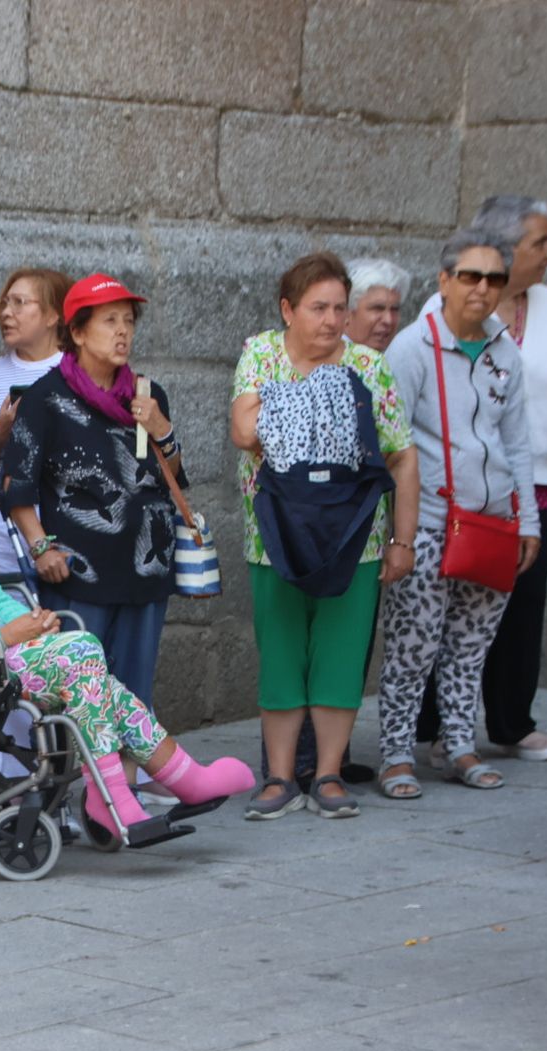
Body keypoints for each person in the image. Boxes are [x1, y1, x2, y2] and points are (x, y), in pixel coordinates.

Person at [0, 455, 254, 839]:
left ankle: (140, 789)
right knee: (82, 653)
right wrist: (7, 637)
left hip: (0, 650)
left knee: (91, 677)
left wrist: (33, 622)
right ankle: (146, 786)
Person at [230, 252, 419, 820]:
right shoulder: (260, 353)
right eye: (318, 308)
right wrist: (324, 406)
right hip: (275, 538)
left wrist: (402, 540)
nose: (332, 319)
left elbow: (401, 456)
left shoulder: (369, 365)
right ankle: (281, 778)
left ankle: (330, 774)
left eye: (340, 307)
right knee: (282, 658)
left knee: (338, 661)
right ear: (288, 310)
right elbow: (244, 432)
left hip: (354, 539)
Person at [376, 229, 541, 797]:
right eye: (470, 276)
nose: (483, 288)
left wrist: (528, 522)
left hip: (491, 523)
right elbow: (390, 445)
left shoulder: (503, 351)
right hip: (426, 524)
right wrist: (397, 533)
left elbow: (519, 442)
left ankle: (457, 744)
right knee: (412, 647)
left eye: (495, 278)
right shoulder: (412, 349)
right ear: (444, 281)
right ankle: (396, 752)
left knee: (470, 648)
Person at [0, 273, 180, 710]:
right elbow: (15, 487)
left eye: (128, 322)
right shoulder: (46, 397)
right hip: (80, 574)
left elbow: (172, 478)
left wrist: (163, 431)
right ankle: (86, 778)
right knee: (80, 691)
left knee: (135, 694)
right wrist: (41, 548)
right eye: (109, 321)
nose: (122, 332)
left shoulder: (147, 394)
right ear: (77, 332)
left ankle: (126, 780)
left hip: (146, 568)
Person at [468, 196, 547, 762]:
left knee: (524, 603)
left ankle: (512, 722)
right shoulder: (463, 307)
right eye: (541, 242)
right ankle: (442, 730)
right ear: (507, 250)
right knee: (459, 601)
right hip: (474, 482)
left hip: (535, 482)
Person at [0, 268, 71, 576]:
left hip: (63, 519)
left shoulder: (75, 374)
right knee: (6, 615)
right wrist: (0, 435)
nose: (7, 313)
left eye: (20, 303)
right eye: (5, 303)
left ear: (53, 315)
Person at [343, 258, 411, 353]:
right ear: (347, 313)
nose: (388, 320)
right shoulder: (328, 363)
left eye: (395, 309)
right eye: (377, 308)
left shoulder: (384, 361)